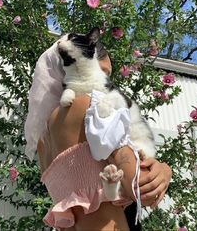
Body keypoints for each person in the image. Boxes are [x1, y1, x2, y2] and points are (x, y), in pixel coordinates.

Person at [25, 41, 172, 231]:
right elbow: (140, 185)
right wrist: (165, 170)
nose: (105, 81)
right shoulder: (91, 106)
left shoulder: (42, 141)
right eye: (99, 71)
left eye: (108, 74)